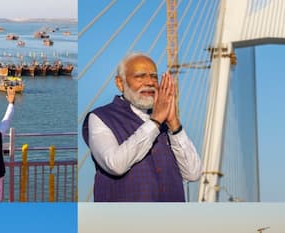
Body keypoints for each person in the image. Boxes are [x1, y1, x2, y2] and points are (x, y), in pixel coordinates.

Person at [82, 52, 201, 202]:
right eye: (140, 76)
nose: (150, 82)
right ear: (120, 83)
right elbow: (115, 164)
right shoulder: (100, 117)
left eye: (153, 76)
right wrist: (155, 122)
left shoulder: (167, 126)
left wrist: (174, 124)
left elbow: (193, 173)